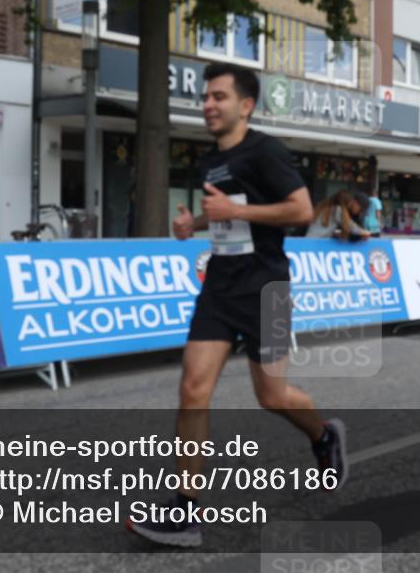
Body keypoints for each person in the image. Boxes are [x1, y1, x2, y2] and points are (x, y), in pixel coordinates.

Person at [129, 63, 347, 548]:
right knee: (192, 387)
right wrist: (197, 227)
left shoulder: (265, 151)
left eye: (219, 97)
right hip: (221, 285)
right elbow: (230, 219)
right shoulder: (209, 162)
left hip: (268, 287)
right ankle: (185, 511)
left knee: (271, 396)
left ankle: (323, 434)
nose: (208, 104)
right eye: (206, 96)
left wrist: (233, 211)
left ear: (245, 106)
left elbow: (301, 209)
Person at [306, 190, 371, 240]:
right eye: (360, 209)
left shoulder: (326, 209)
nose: (359, 212)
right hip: (314, 243)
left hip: (310, 241)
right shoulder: (337, 210)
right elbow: (350, 226)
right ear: (354, 202)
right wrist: (363, 232)